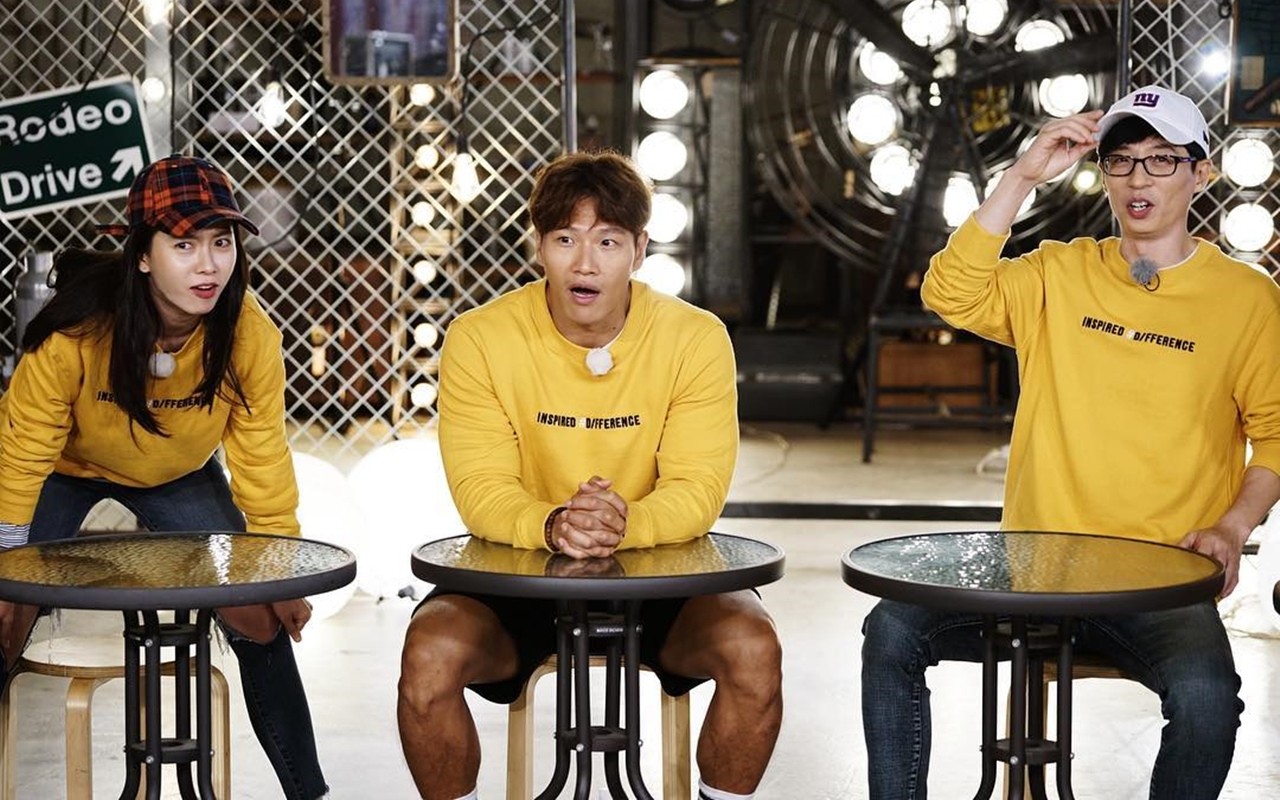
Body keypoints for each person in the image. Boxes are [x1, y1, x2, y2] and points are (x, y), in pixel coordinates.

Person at [860, 85, 1280, 799]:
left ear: (1201, 173)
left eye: (1162, 160)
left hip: (1161, 576)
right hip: (1035, 566)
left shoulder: (1246, 299)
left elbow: (1274, 437)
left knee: (1209, 698)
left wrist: (1233, 527)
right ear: (1103, 173)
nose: (1140, 179)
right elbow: (950, 292)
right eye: (1122, 161)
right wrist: (1022, 176)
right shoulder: (1059, 271)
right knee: (892, 632)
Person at [397, 151, 783, 800]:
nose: (584, 263)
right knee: (428, 655)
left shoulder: (695, 338)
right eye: (564, 239)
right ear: (538, 247)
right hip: (519, 576)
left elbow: (697, 488)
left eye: (607, 241)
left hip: (660, 576)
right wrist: (553, 524)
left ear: (639, 250)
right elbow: (481, 488)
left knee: (754, 648)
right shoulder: (479, 337)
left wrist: (623, 523)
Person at [0, 154, 330, 800]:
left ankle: (309, 792)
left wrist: (281, 568)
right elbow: (24, 446)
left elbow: (261, 453)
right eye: (184, 245)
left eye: (221, 243)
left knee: (262, 615)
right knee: (4, 616)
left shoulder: (248, 333)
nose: (208, 265)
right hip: (64, 469)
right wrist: (6, 560)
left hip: (177, 472)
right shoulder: (74, 330)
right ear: (143, 255)